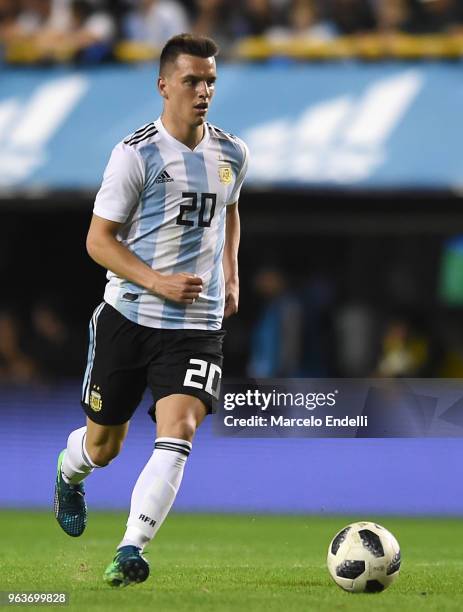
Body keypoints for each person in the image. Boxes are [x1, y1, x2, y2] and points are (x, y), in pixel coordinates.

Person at [53, 32, 248, 587]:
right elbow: (98, 240)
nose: (203, 91)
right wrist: (158, 281)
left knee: (180, 428)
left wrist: (230, 271)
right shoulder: (135, 155)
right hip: (130, 314)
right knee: (103, 445)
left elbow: (231, 209)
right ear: (164, 85)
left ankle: (130, 549)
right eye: (191, 81)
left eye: (210, 80)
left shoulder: (233, 153)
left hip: (196, 324)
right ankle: (70, 472)